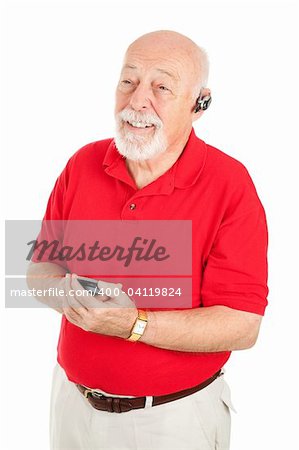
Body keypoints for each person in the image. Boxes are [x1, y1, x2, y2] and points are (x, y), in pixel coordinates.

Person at [27, 30, 268, 450]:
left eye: (162, 86)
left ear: (199, 104)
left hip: (173, 421)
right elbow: (39, 270)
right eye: (128, 81)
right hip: (71, 406)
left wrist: (133, 324)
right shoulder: (82, 164)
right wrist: (67, 294)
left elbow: (242, 325)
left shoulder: (231, 185)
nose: (138, 101)